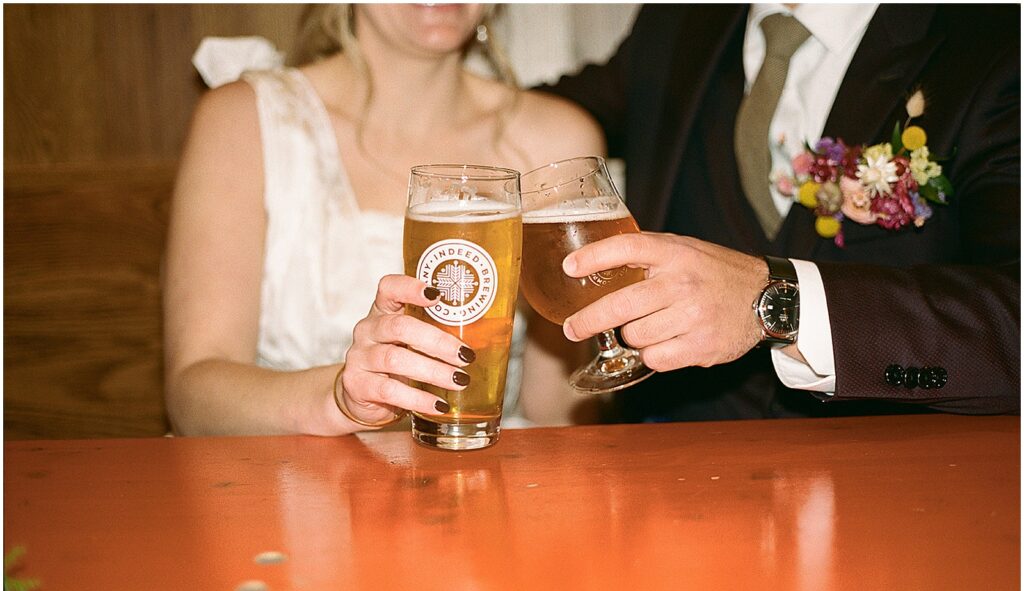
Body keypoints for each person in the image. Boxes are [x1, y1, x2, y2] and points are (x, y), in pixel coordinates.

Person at [543, 3, 1020, 421]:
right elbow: (522, 115)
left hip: (890, 479)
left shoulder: (994, 38)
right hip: (673, 465)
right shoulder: (680, 18)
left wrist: (778, 303)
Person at [163, 4, 604, 436]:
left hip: (475, 479)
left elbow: (553, 416)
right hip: (283, 487)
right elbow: (192, 394)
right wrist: (338, 398)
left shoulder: (557, 142)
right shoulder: (243, 119)